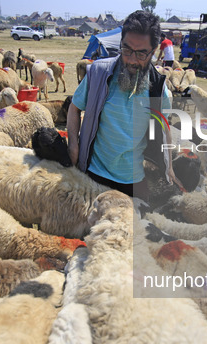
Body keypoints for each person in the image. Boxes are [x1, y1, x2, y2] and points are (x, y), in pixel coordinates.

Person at [67, 10, 182, 202]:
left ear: (153, 52)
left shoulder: (159, 91)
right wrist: (73, 146)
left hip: (133, 178)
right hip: (95, 173)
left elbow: (164, 128)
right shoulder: (98, 74)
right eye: (126, 49)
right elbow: (74, 107)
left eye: (141, 53)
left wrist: (168, 165)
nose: (131, 59)